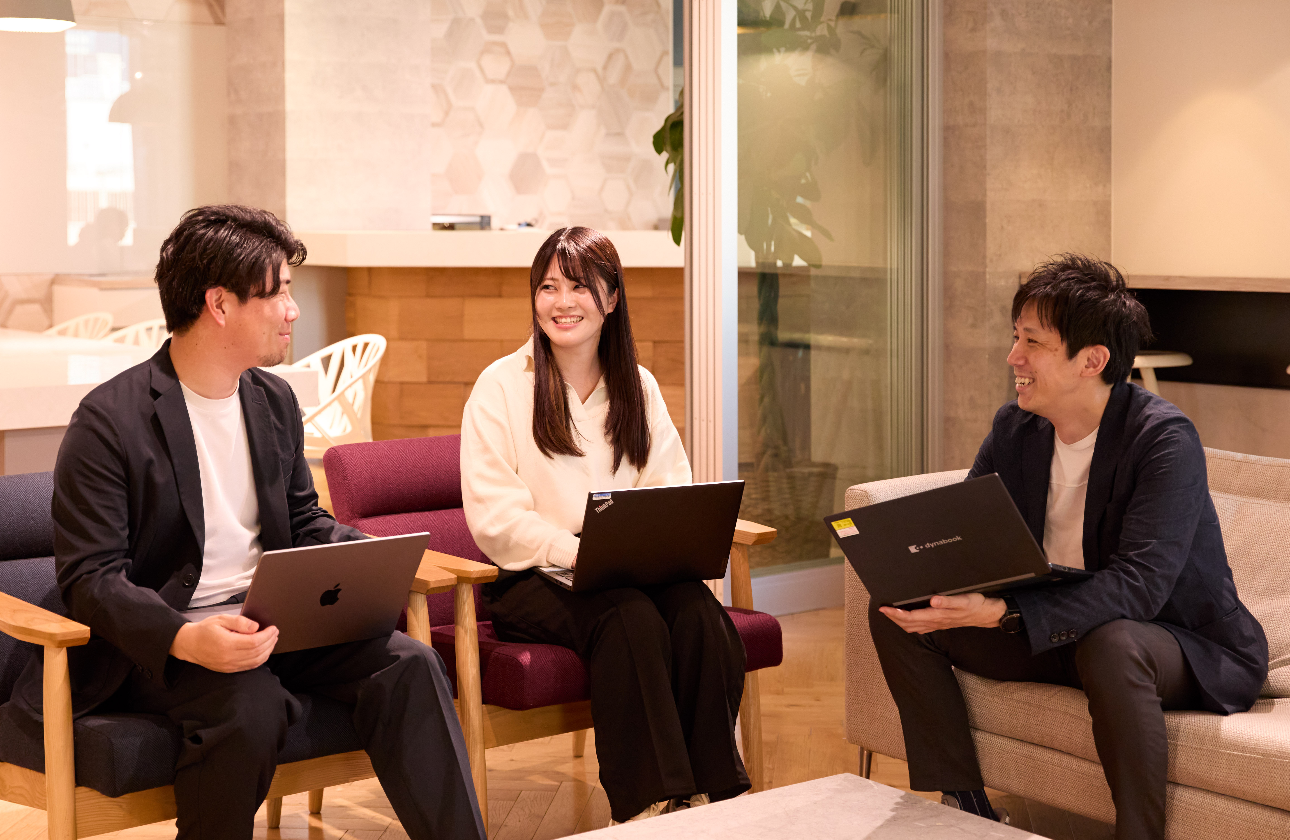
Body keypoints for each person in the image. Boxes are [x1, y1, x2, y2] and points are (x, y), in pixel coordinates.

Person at [5, 205, 485, 840]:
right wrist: (183, 638)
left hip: (270, 621)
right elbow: (92, 579)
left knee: (410, 665)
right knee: (249, 708)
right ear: (220, 305)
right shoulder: (109, 423)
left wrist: (367, 556)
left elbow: (303, 520)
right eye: (278, 291)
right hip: (160, 644)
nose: (293, 309)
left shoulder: (272, 400)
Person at [868, 254, 1268, 840]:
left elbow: (1140, 587)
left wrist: (1002, 612)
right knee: (899, 610)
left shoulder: (1163, 440)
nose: (1014, 357)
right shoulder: (1015, 429)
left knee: (1113, 643)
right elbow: (968, 535)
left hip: (1176, 641)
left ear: (1092, 360)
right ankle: (965, 805)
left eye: (1033, 342)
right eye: (1015, 337)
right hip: (1059, 630)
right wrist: (922, 563)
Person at [460, 226, 749, 824]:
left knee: (698, 613)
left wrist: (650, 547)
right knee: (629, 618)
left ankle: (715, 796)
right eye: (548, 287)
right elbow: (495, 518)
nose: (562, 302)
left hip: (627, 568)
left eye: (579, 287)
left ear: (612, 298)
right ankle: (647, 806)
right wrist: (573, 552)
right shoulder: (500, 387)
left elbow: (670, 485)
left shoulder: (636, 386)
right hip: (533, 576)